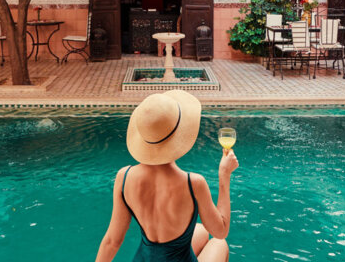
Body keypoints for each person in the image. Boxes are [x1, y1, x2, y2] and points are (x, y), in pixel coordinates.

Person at [95, 90, 239, 262]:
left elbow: (112, 241)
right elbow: (221, 230)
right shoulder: (193, 183)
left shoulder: (124, 177)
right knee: (219, 243)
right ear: (179, 134)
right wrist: (224, 175)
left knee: (200, 230)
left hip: (145, 258)